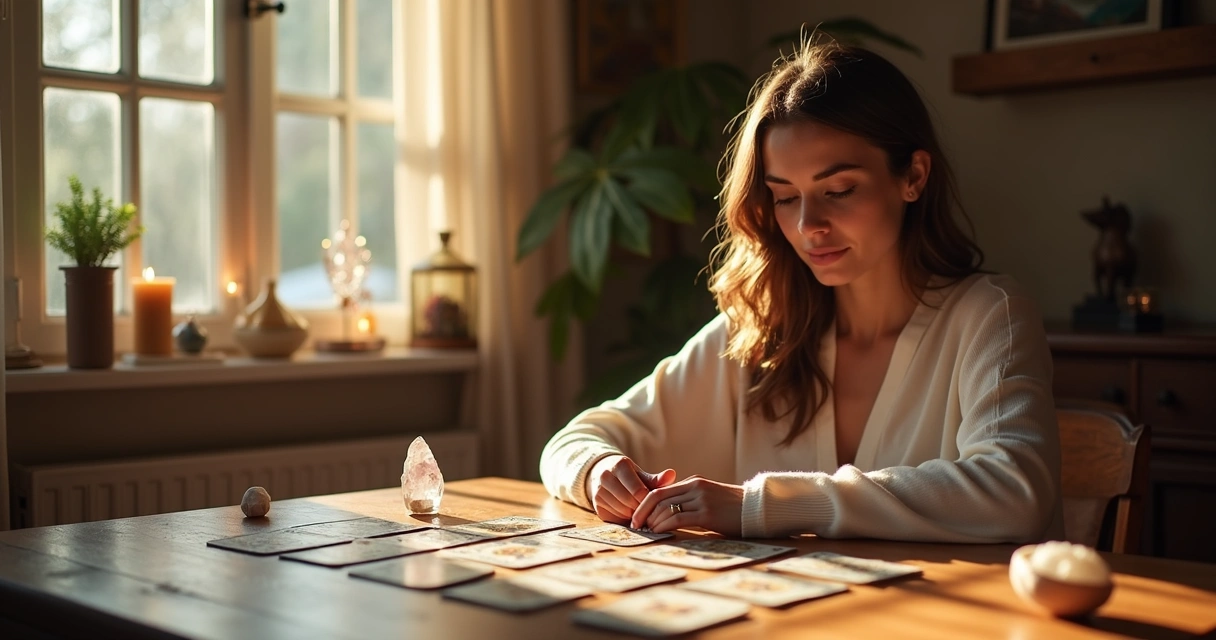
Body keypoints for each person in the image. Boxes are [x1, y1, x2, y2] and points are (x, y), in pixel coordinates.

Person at [540, 41, 1064, 544]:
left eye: (838, 191)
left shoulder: (990, 315)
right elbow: (570, 443)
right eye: (786, 197)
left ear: (914, 176)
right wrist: (599, 472)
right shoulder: (762, 331)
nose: (809, 224)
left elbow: (1014, 491)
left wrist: (759, 506)